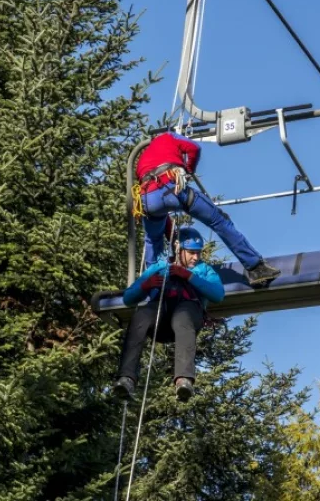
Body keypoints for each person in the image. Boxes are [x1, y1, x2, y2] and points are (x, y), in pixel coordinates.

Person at [135, 130, 280, 287]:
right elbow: (194, 148)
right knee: (219, 220)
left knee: (152, 239)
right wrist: (189, 169)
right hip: (172, 186)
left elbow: (161, 205)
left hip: (147, 199)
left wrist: (173, 236)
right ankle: (256, 268)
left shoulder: (142, 158)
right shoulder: (168, 136)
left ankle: (152, 284)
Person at [113, 227, 224, 402]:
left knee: (183, 316)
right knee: (141, 316)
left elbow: (218, 294)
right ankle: (126, 378)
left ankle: (184, 379)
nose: (196, 257)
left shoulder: (204, 270)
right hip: (161, 318)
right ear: (179, 249)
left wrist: (188, 276)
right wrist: (145, 286)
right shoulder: (160, 267)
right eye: (191, 253)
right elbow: (128, 298)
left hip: (188, 314)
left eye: (198, 253)